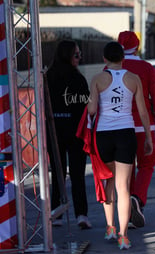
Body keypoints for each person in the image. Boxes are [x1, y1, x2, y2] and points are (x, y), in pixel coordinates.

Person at [87, 41, 153, 250]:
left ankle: (110, 227)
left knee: (108, 182)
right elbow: (142, 111)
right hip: (126, 133)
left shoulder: (97, 78)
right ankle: (124, 236)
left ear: (104, 59)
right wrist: (149, 138)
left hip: (103, 135)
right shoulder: (133, 79)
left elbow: (91, 109)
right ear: (123, 58)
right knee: (123, 187)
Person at [117, 31, 155, 228]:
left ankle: (128, 210)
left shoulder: (110, 68)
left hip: (118, 126)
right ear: (137, 47)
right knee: (146, 165)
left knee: (125, 169)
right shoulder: (146, 67)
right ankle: (138, 199)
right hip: (143, 125)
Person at [46, 40, 92, 229]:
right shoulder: (77, 78)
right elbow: (86, 106)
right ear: (67, 55)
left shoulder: (48, 77)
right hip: (74, 131)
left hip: (54, 130)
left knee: (57, 173)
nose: (79, 58)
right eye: (76, 54)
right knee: (77, 174)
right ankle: (81, 214)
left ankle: (56, 212)